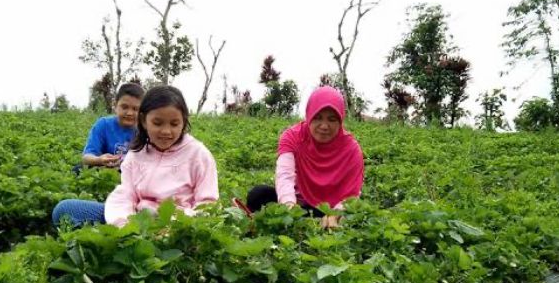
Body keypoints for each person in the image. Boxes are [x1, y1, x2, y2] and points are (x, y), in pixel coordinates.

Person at [53, 85, 219, 227]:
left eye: (174, 124)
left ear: (183, 122)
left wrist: (175, 226)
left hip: (179, 228)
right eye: (157, 123)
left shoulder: (198, 155)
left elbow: (208, 205)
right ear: (144, 121)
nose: (166, 131)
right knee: (66, 209)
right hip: (138, 221)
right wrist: (124, 226)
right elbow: (126, 195)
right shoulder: (136, 154)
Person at [245, 86, 364, 229]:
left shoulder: (351, 148)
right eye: (318, 118)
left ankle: (321, 222)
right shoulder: (293, 137)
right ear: (309, 116)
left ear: (340, 121)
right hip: (299, 203)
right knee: (258, 195)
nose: (324, 126)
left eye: (332, 119)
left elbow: (352, 194)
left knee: (355, 215)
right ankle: (302, 222)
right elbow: (284, 175)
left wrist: (335, 213)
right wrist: (288, 207)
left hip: (330, 207)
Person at [81, 82, 144, 168]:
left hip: (132, 173)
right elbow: (86, 158)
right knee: (78, 169)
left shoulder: (144, 130)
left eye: (135, 109)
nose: (129, 113)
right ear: (115, 105)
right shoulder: (103, 124)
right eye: (124, 107)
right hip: (104, 172)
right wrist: (99, 160)